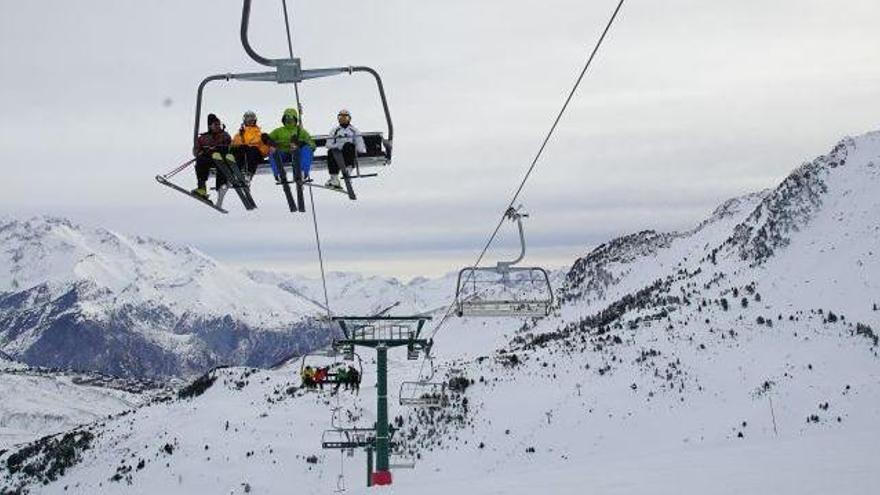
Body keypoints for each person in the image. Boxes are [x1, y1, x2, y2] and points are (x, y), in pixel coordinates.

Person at [263, 108, 315, 183]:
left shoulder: (301, 132)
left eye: (291, 118)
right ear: (284, 119)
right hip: (282, 154)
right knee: (273, 152)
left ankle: (302, 172)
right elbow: (268, 140)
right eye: (287, 118)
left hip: (296, 154)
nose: (289, 120)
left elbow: (312, 145)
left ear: (295, 119)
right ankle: (279, 174)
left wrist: (302, 143)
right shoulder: (278, 131)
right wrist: (267, 140)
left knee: (306, 149)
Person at [192, 113, 232, 201]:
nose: (218, 126)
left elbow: (229, 145)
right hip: (209, 159)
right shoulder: (203, 138)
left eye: (219, 124)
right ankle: (202, 188)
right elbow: (196, 151)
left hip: (221, 158)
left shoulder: (224, 135)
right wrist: (200, 152)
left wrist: (218, 148)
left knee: (220, 162)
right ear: (210, 126)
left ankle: (221, 187)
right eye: (215, 125)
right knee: (200, 160)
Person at [324, 108, 366, 190]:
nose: (342, 119)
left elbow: (359, 142)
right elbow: (328, 144)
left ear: (349, 119)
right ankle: (334, 178)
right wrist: (336, 146)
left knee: (348, 145)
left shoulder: (354, 131)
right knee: (331, 152)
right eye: (340, 117)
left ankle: (348, 171)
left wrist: (360, 150)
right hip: (338, 152)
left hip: (348, 152)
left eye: (345, 117)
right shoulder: (335, 130)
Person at [231, 110, 270, 183]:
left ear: (254, 120)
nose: (249, 121)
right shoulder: (239, 134)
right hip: (243, 155)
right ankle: (236, 172)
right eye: (247, 119)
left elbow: (265, 150)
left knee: (253, 149)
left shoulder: (259, 134)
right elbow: (234, 145)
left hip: (255, 156)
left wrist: (262, 150)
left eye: (251, 119)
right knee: (240, 149)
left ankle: (249, 173)